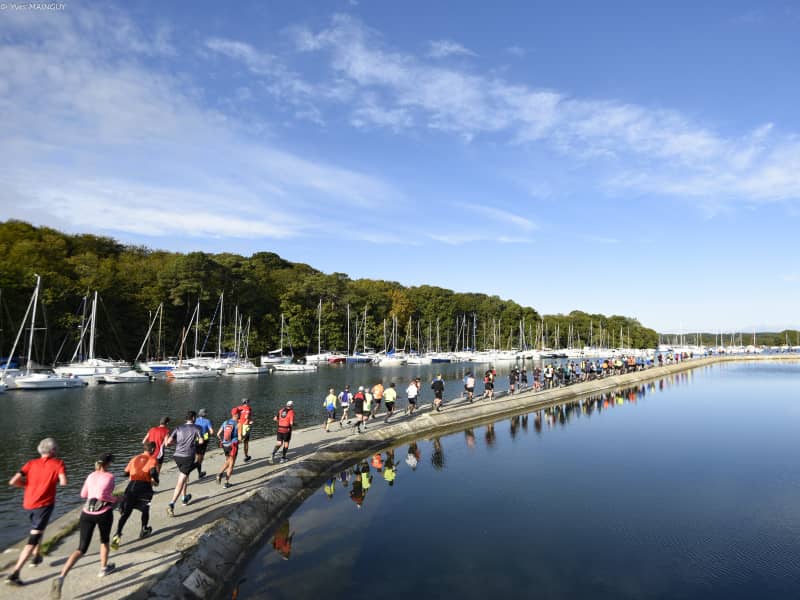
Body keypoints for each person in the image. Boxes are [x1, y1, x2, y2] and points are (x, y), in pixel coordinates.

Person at [51, 454, 117, 599]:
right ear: (108, 464)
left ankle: (61, 576)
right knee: (104, 541)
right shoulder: (110, 477)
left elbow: (83, 494)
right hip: (103, 513)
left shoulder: (90, 475)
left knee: (81, 548)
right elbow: (103, 495)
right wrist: (116, 499)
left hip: (86, 513)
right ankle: (103, 569)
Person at [6, 438, 67, 586]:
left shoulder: (30, 463)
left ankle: (36, 555)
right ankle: (15, 573)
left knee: (39, 529)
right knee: (33, 537)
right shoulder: (58, 463)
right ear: (53, 451)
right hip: (44, 505)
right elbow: (64, 482)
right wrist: (50, 482)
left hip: (29, 503)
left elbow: (13, 481)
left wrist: (27, 485)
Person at [111, 442, 159, 550]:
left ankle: (117, 535)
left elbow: (125, 473)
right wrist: (156, 481)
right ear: (152, 450)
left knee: (126, 513)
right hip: (144, 488)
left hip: (131, 487)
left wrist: (134, 473)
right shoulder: (152, 459)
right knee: (146, 508)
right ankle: (144, 530)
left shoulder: (134, 458)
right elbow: (152, 473)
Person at [164, 411, 200, 517]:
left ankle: (184, 498)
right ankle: (171, 504)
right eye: (195, 417)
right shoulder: (197, 428)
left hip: (177, 456)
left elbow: (168, 443)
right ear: (193, 418)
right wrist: (196, 442)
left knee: (185, 477)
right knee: (181, 480)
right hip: (188, 457)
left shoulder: (178, 428)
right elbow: (202, 441)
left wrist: (179, 442)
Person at [217, 409, 240, 488]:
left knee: (228, 460)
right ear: (236, 414)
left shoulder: (225, 422)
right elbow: (240, 437)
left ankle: (224, 479)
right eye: (239, 413)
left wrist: (221, 441)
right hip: (233, 445)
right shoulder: (238, 424)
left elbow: (218, 434)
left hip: (225, 445)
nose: (240, 414)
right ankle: (224, 479)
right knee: (231, 463)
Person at [194, 408, 215, 479]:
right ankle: (199, 472)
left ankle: (199, 472)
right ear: (205, 414)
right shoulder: (207, 421)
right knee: (201, 457)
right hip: (204, 441)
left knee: (197, 456)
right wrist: (211, 434)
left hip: (196, 440)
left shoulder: (195, 420)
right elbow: (211, 432)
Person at [235, 398, 254, 462]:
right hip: (245, 426)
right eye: (248, 401)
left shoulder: (238, 408)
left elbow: (234, 415)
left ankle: (232, 454)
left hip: (238, 425)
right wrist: (249, 422)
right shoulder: (248, 408)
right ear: (247, 402)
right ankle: (246, 456)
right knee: (245, 442)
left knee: (237, 440)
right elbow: (247, 418)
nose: (249, 403)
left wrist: (238, 421)